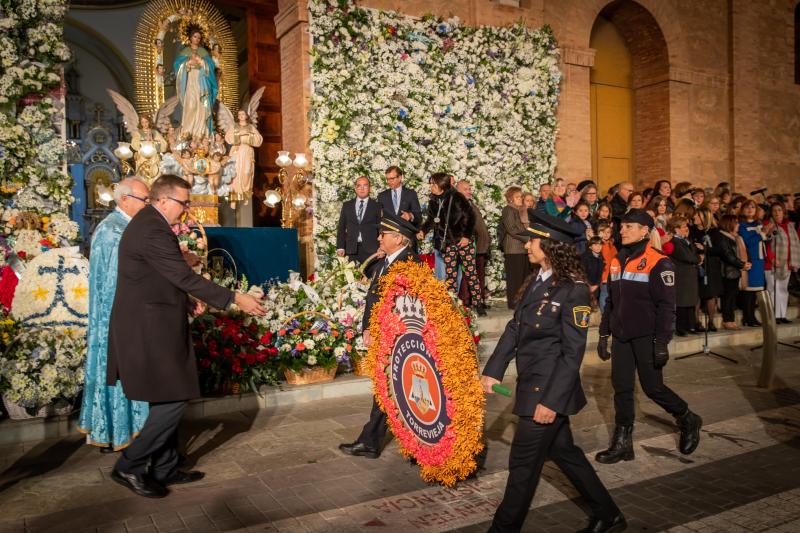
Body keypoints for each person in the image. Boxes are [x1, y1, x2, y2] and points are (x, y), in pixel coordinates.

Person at [107, 175, 265, 498]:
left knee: (165, 397)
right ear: (163, 200)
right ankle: (130, 465)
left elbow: (162, 274)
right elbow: (180, 276)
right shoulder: (152, 227)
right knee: (175, 397)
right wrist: (236, 298)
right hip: (148, 329)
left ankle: (164, 468)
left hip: (155, 323)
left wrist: (184, 286)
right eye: (183, 202)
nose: (187, 209)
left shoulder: (150, 223)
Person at [481, 210, 625, 533]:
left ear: (550, 247)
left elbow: (572, 354)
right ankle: (608, 514)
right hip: (533, 384)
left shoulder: (572, 290)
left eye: (532, 241)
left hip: (545, 393)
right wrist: (493, 370)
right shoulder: (537, 281)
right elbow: (514, 329)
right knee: (565, 453)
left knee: (521, 466)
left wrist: (551, 401)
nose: (527, 247)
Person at [596, 208, 702, 464]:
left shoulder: (658, 261)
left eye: (629, 227)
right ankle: (622, 443)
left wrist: (662, 341)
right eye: (621, 226)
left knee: (653, 387)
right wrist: (603, 333)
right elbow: (611, 300)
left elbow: (667, 306)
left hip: (647, 336)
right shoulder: (616, 259)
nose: (622, 230)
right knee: (621, 388)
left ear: (645, 230)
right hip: (622, 336)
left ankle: (688, 418)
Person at [79, 178, 151, 453]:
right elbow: (112, 283)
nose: (147, 205)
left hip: (129, 314)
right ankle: (116, 429)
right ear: (124, 199)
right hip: (117, 317)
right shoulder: (112, 231)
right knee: (119, 374)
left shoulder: (128, 228)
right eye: (144, 200)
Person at [339, 215, 419, 459]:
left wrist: (385, 333)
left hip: (398, 339)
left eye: (383, 234)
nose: (378, 238)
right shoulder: (388, 261)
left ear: (398, 238)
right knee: (389, 389)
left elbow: (406, 308)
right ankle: (373, 440)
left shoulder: (409, 264)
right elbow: (374, 298)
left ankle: (409, 444)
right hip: (383, 335)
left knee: (397, 390)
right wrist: (367, 328)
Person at [419, 172, 483, 313]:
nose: (431, 186)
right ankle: (452, 305)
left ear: (442, 184)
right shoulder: (434, 200)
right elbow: (431, 220)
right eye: (431, 184)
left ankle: (478, 304)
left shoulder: (457, 197)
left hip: (463, 241)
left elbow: (470, 216)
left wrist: (466, 236)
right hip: (447, 243)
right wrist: (423, 231)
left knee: (471, 273)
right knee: (450, 275)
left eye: (433, 184)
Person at [174, 27, 217, 140]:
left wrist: (202, 62)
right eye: (195, 36)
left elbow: (211, 66)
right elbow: (177, 65)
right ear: (190, 38)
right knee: (191, 105)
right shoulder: (185, 51)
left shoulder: (203, 52)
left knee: (202, 105)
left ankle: (201, 133)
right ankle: (187, 132)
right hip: (190, 80)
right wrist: (187, 63)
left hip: (201, 80)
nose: (197, 39)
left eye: (199, 37)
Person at [457, 179, 490, 313]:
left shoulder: (471, 204)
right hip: (466, 245)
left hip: (478, 246)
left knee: (476, 275)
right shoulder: (457, 206)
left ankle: (478, 301)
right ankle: (466, 302)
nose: (469, 191)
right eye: (466, 189)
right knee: (466, 276)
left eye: (470, 188)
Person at [764, 202, 800, 323]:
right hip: (772, 263)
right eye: (774, 210)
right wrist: (772, 259)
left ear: (784, 212)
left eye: (779, 210)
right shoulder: (768, 225)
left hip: (786, 263)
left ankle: (781, 315)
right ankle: (773, 315)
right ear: (771, 213)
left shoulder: (789, 226)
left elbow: (793, 244)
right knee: (773, 289)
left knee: (783, 290)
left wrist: (793, 261)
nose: (777, 212)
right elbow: (766, 244)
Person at [714, 214, 751, 330]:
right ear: (729, 224)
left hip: (734, 271)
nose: (738, 225)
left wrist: (745, 263)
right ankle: (727, 320)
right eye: (736, 222)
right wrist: (742, 264)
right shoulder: (723, 237)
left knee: (732, 297)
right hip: (727, 272)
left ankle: (731, 319)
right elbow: (728, 256)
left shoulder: (734, 237)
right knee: (728, 297)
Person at [667, 216, 701, 336]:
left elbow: (695, 255)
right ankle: (681, 327)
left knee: (691, 302)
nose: (687, 229)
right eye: (684, 227)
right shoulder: (674, 242)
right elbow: (689, 257)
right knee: (682, 303)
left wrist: (696, 257)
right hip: (682, 276)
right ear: (676, 229)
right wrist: (697, 258)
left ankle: (691, 325)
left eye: (687, 226)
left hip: (690, 276)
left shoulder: (686, 240)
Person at [336, 176, 381, 265]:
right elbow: (341, 227)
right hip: (351, 250)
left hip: (371, 250)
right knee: (352, 277)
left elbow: (381, 228)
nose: (362, 189)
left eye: (365, 186)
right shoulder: (347, 206)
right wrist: (340, 247)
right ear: (355, 188)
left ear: (370, 188)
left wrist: (382, 247)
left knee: (370, 277)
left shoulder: (377, 206)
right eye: (359, 186)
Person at [738, 199, 768, 327]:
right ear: (743, 210)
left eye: (753, 207)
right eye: (747, 207)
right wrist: (761, 234)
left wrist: (768, 233)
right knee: (749, 291)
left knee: (756, 291)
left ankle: (752, 316)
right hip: (750, 260)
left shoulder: (758, 224)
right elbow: (748, 242)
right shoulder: (741, 225)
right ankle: (747, 317)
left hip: (760, 260)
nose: (750, 210)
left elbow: (764, 241)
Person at [225, 108, 263, 204]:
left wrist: (248, 136)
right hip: (237, 151)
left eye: (243, 114)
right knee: (236, 173)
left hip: (247, 151)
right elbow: (228, 137)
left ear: (246, 116)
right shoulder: (234, 126)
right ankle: (234, 198)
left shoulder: (251, 127)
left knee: (247, 172)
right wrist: (239, 135)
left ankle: (245, 194)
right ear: (238, 117)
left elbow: (259, 139)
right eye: (239, 114)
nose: (241, 116)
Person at [500, 186, 529, 309]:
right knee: (515, 278)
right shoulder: (508, 210)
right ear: (511, 199)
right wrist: (527, 239)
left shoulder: (515, 210)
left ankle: (520, 301)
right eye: (518, 197)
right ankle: (514, 303)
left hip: (520, 249)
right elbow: (512, 229)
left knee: (522, 277)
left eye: (521, 197)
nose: (521, 199)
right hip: (513, 249)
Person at [695, 208, 723, 331]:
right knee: (697, 295)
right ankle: (697, 322)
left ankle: (711, 322)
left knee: (711, 295)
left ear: (705, 218)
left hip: (711, 266)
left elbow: (719, 250)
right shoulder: (692, 230)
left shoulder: (714, 232)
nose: (694, 217)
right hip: (697, 265)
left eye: (698, 215)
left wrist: (704, 247)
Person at [597, 222, 617, 311]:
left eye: (608, 232)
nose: (606, 234)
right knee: (604, 294)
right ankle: (604, 314)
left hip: (612, 274)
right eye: (603, 232)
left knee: (610, 295)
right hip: (604, 275)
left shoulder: (611, 244)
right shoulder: (599, 244)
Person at [582, 235, 605, 305]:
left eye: (600, 244)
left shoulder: (601, 257)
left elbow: (600, 274)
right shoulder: (584, 257)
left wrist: (596, 285)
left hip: (595, 287)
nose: (598, 247)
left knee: (593, 308)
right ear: (590, 246)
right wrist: (589, 286)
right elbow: (581, 273)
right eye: (595, 244)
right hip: (585, 287)